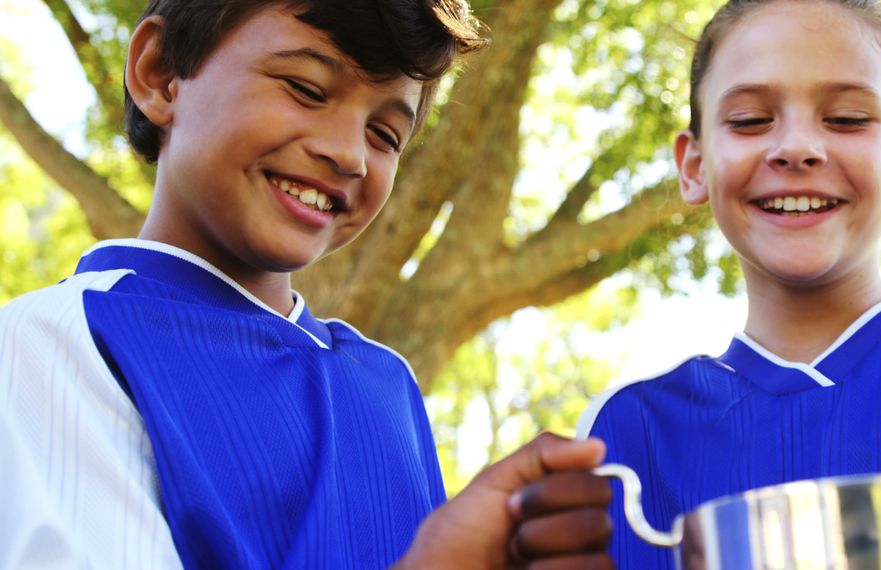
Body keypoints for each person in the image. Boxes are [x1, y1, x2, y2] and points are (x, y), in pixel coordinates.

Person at [0, 1, 613, 568]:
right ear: (160, 75)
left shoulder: (387, 384)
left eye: (385, 135)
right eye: (306, 89)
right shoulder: (51, 342)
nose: (351, 154)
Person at [577, 0, 881, 568]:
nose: (796, 147)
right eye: (748, 120)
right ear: (694, 166)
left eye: (846, 119)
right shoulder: (624, 428)